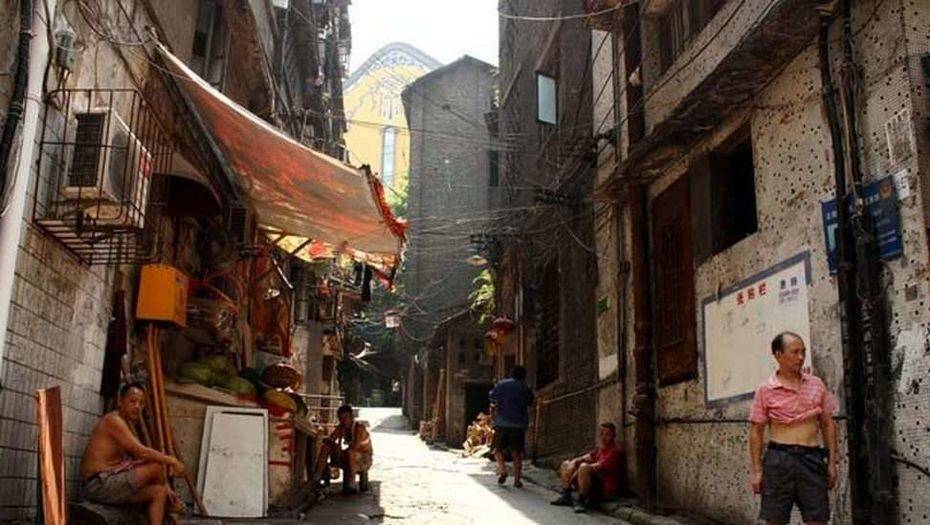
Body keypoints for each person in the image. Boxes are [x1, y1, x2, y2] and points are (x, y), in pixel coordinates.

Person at [749, 332, 838, 525]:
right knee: (775, 520)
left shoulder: (816, 384)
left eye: (803, 352)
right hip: (779, 460)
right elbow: (756, 431)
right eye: (795, 352)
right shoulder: (766, 390)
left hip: (812, 458)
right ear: (778, 355)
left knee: (818, 519)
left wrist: (832, 463)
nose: (801, 357)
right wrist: (757, 471)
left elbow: (827, 424)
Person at [80, 383, 184, 524]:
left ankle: (168, 504)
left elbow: (137, 457)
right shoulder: (113, 421)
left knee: (159, 492)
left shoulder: (127, 424)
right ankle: (172, 506)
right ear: (120, 401)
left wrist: (166, 488)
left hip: (114, 484)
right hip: (98, 485)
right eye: (132, 401)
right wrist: (172, 460)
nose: (137, 407)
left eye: (141, 403)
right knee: (157, 466)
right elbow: (141, 452)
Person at [550, 422, 623, 513]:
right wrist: (573, 463)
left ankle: (581, 500)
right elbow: (583, 458)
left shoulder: (615, 451)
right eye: (601, 434)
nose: (603, 438)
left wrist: (576, 472)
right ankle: (566, 495)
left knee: (584, 467)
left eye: (607, 435)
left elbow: (596, 466)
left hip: (603, 489)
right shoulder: (600, 450)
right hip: (591, 484)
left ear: (613, 436)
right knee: (566, 464)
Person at [488, 366, 534, 488]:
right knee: (516, 453)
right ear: (524, 376)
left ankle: (503, 470)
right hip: (519, 425)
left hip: (502, 423)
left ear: (512, 374)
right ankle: (517, 480)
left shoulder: (502, 384)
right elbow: (530, 402)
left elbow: (492, 397)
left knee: (497, 449)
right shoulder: (526, 387)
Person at [324, 404, 373, 494]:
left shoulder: (359, 428)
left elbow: (355, 447)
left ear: (351, 417)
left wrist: (340, 451)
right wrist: (333, 445)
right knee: (327, 446)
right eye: (341, 418)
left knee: (351, 453)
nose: (343, 420)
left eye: (346, 417)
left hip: (364, 457)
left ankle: (352, 482)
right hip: (350, 455)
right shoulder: (341, 427)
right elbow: (331, 439)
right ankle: (319, 475)